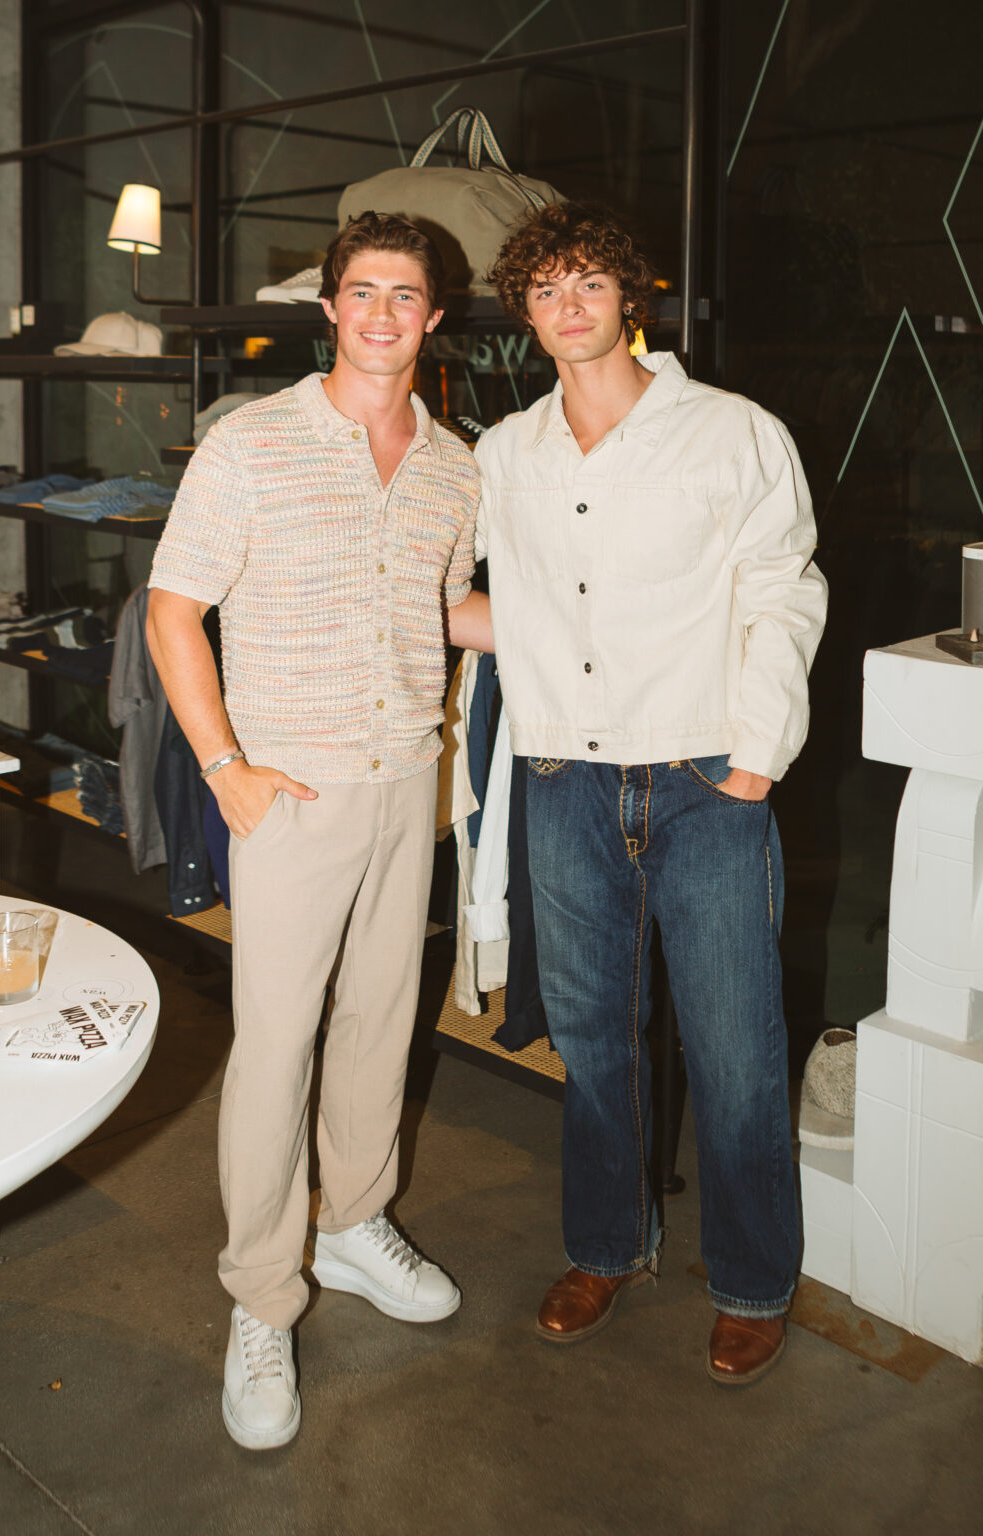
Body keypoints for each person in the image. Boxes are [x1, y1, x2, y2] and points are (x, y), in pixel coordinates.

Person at [147, 211, 490, 1449]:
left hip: (406, 780)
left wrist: (594, 619)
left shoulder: (457, 464)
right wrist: (223, 767)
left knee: (381, 1021)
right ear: (330, 307)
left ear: (433, 316)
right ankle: (261, 1295)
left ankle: (349, 1224)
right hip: (287, 792)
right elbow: (173, 611)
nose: (383, 313)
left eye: (406, 295)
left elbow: (443, 610)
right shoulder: (252, 443)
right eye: (363, 291)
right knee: (276, 1046)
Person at [476, 200, 827, 1385]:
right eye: (544, 290)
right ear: (524, 314)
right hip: (564, 777)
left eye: (588, 283)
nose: (567, 306)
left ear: (631, 296)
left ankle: (751, 1282)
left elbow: (782, 589)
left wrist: (754, 758)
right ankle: (605, 1249)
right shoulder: (505, 451)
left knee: (736, 1051)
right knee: (591, 1044)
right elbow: (493, 601)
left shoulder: (729, 431)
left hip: (702, 776)